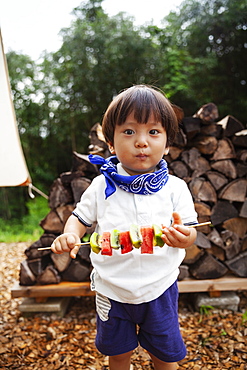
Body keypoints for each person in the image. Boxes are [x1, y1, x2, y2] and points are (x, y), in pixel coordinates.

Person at [51, 84, 198, 370]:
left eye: (153, 132)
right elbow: (80, 219)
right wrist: (70, 234)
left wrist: (184, 237)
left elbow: (190, 231)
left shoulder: (175, 188)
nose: (141, 142)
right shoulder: (100, 186)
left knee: (165, 356)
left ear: (167, 143)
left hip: (160, 287)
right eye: (129, 132)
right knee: (117, 354)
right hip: (112, 289)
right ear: (110, 142)